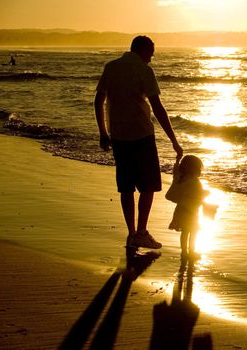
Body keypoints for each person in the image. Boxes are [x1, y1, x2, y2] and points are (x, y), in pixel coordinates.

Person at [94, 35, 183, 249]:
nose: (151, 58)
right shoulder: (144, 70)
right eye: (150, 53)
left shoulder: (111, 67)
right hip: (142, 135)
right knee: (148, 186)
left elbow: (98, 100)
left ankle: (131, 233)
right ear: (141, 50)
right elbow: (158, 108)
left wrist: (103, 132)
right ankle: (141, 232)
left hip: (118, 135)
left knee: (126, 187)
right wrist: (173, 139)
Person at [165, 155, 217, 263]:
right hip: (191, 212)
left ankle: (184, 252)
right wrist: (207, 193)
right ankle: (191, 252)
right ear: (195, 169)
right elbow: (199, 195)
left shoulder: (179, 178)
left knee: (185, 232)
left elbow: (175, 170)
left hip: (180, 210)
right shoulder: (194, 182)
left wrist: (177, 159)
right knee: (193, 232)